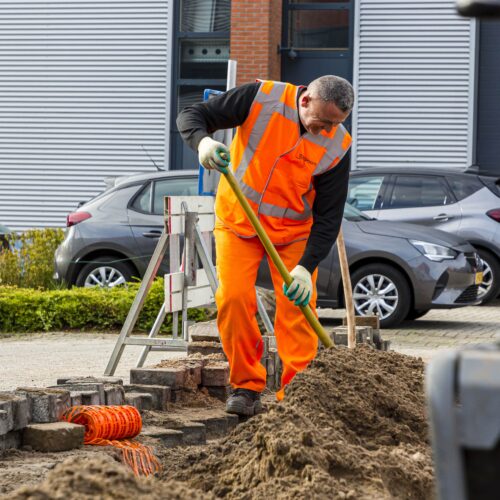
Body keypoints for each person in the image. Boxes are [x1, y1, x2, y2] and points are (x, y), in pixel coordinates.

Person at [177, 75, 354, 416]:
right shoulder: (262, 98)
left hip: (292, 234)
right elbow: (191, 116)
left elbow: (329, 217)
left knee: (297, 311)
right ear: (305, 101)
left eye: (335, 124)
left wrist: (306, 266)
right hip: (238, 221)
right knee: (233, 299)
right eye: (322, 122)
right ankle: (246, 387)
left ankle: (297, 393)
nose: (326, 131)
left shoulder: (338, 145)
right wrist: (203, 144)